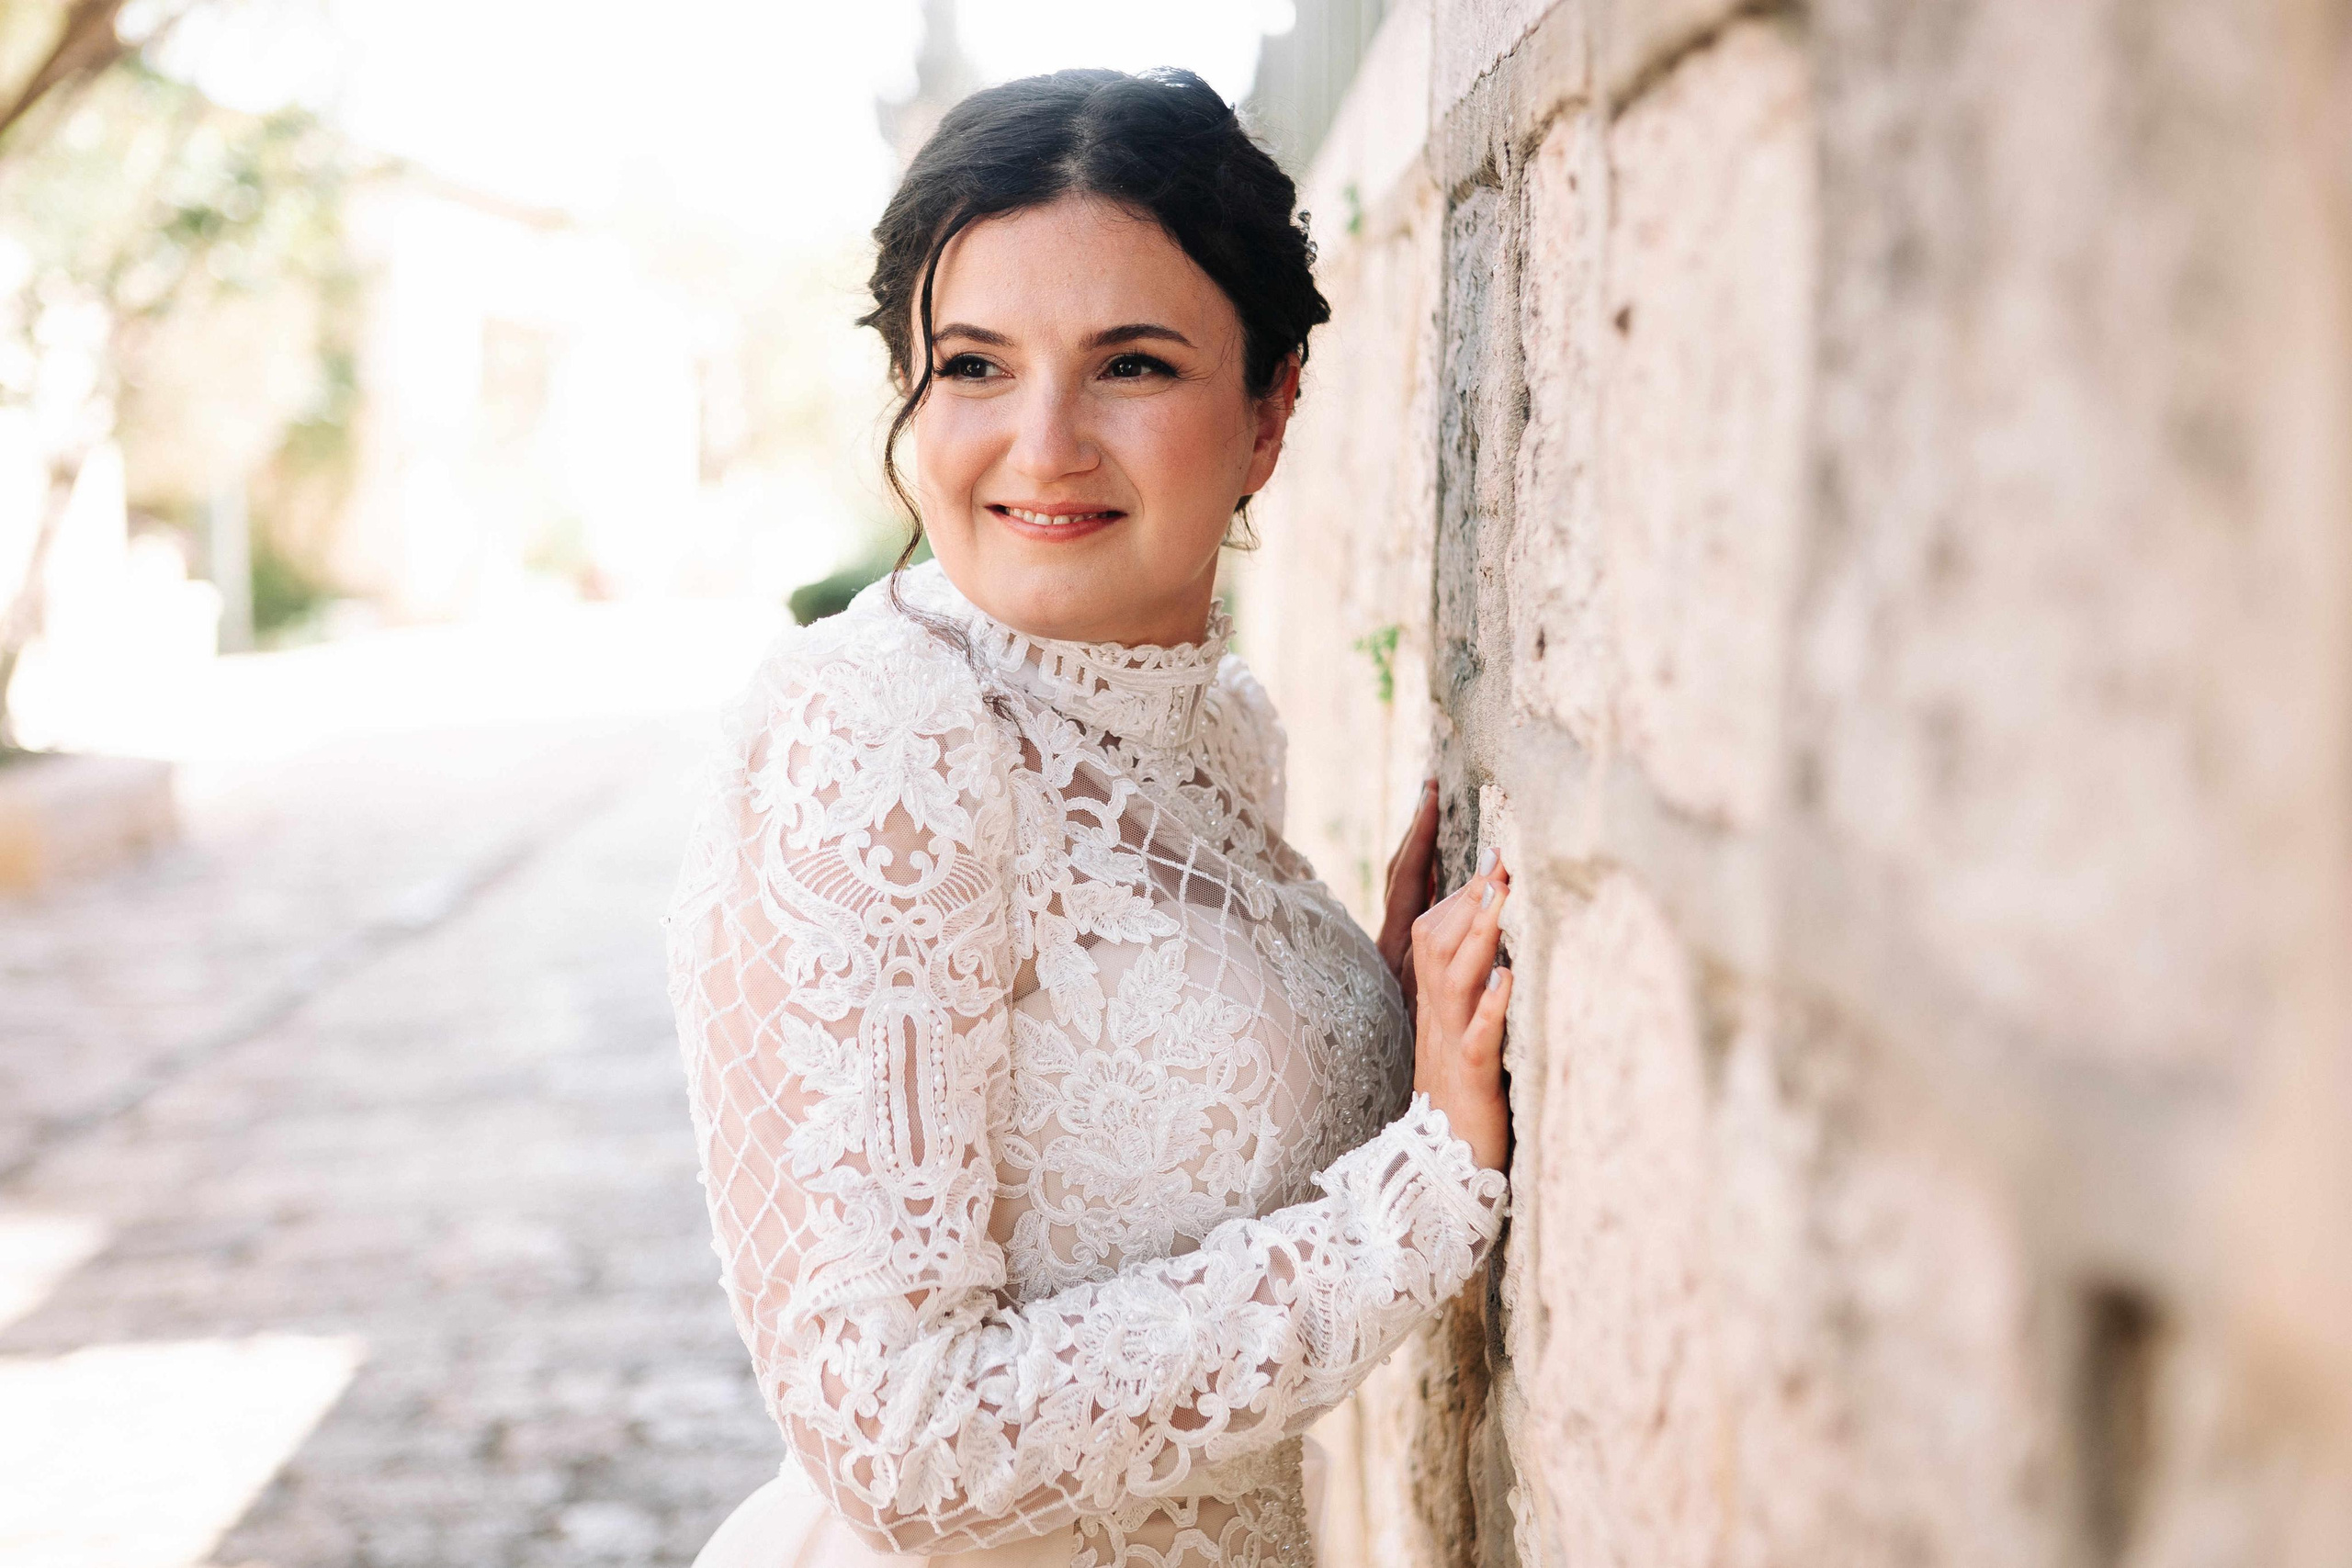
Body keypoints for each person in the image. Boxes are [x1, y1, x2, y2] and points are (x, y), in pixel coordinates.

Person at [663, 64, 1515, 1568]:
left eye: (1130, 364)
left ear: (1268, 412)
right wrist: (1424, 1185)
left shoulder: (1213, 724)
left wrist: (1372, 1031)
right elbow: (902, 1439)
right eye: (976, 366)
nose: (1044, 442)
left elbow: (1153, 1158)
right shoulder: (879, 732)